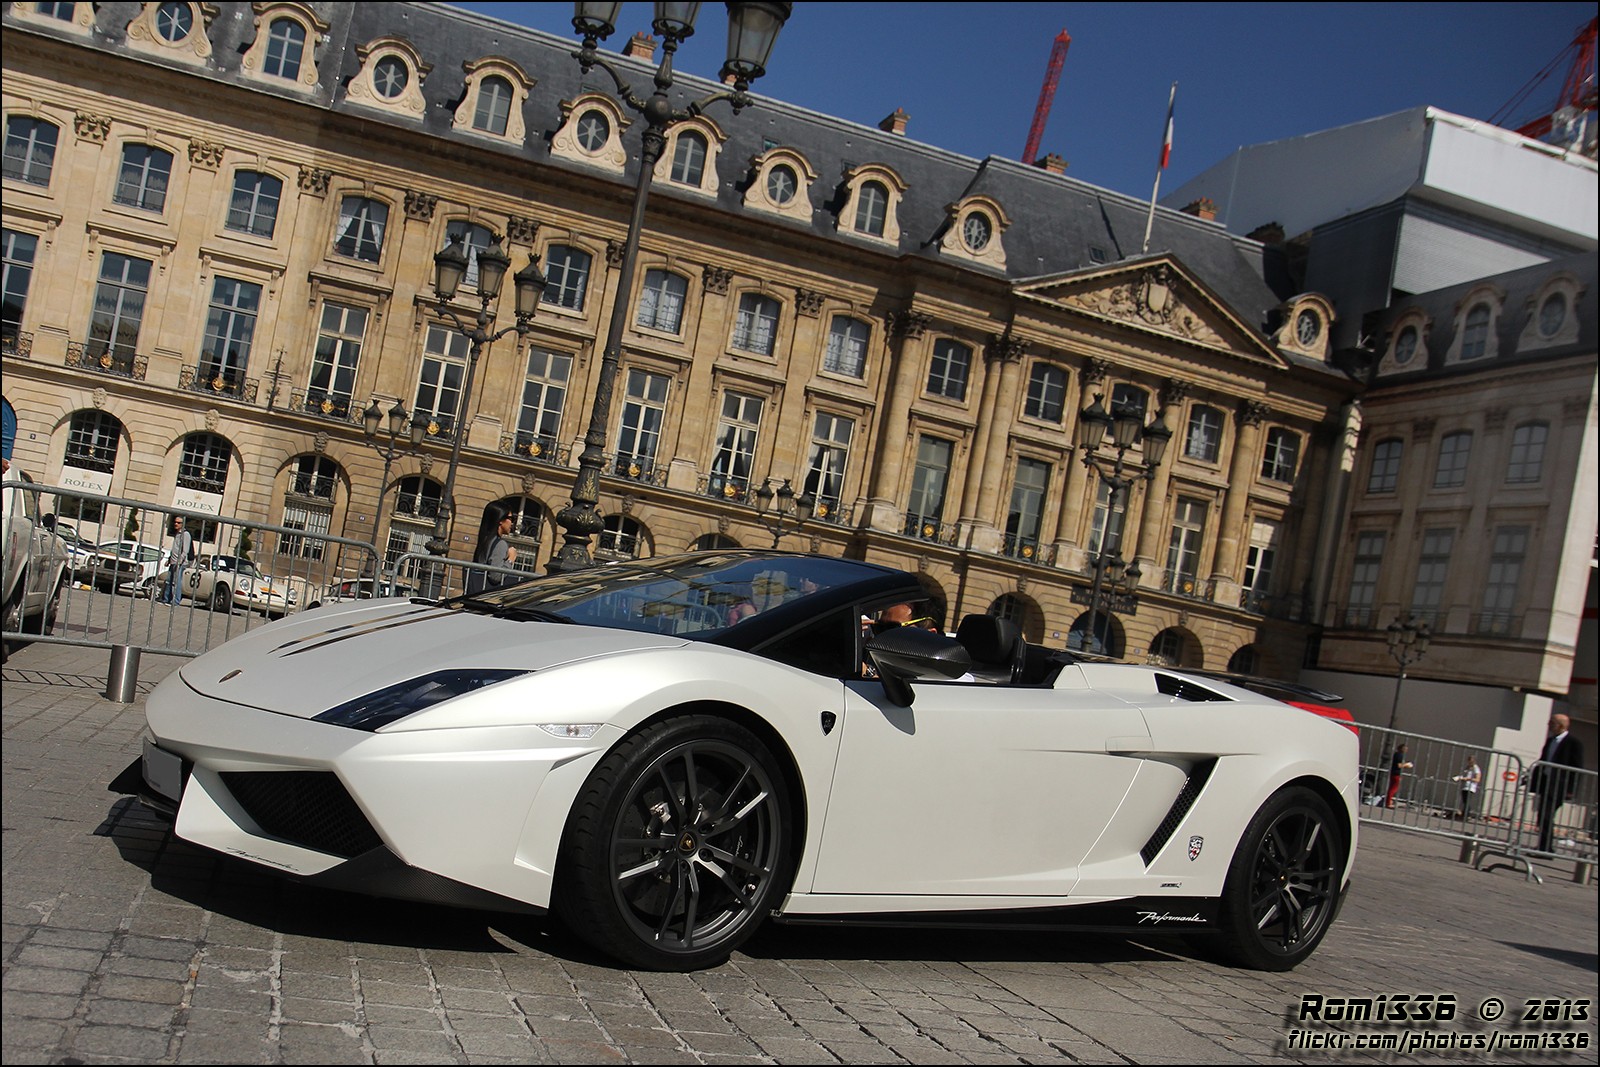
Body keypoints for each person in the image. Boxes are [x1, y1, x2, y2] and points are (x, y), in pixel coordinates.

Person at [1529, 713, 1586, 853]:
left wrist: (1571, 789)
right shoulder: (1550, 741)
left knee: (1546, 815)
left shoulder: (1574, 743)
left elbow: (1577, 768)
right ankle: (1544, 846)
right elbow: (1543, 760)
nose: (1549, 725)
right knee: (1543, 815)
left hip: (1559, 786)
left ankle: (1546, 848)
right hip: (1546, 783)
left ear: (1561, 726)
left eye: (1552, 723)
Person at [468, 505, 516, 594]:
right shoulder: (500, 544)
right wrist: (511, 559)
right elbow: (495, 576)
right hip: (486, 595)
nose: (512, 523)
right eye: (511, 518)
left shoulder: (485, 539)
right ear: (500, 520)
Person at [158, 515, 191, 604]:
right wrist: (169, 560)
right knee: (169, 581)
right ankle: (166, 599)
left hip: (179, 563)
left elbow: (185, 550)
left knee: (176, 582)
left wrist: (179, 562)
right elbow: (175, 548)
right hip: (173, 561)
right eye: (175, 522)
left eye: (178, 523)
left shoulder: (185, 534)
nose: (176, 524)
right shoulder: (177, 534)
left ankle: (175, 601)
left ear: (183, 524)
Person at [1452, 756, 1481, 821]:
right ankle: (1464, 815)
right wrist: (1460, 778)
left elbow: (1477, 779)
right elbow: (1464, 775)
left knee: (1467, 802)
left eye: (1471, 761)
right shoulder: (1467, 767)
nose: (1469, 762)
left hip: (1470, 787)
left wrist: (1467, 779)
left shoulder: (1476, 768)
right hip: (1464, 786)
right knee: (1464, 801)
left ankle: (1466, 815)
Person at [1384, 743, 1413, 809]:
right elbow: (1399, 765)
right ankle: (1388, 803)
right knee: (1393, 789)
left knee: (1392, 788)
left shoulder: (1397, 754)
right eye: (1405, 748)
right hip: (1396, 774)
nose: (1406, 749)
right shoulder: (1399, 755)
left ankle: (1389, 801)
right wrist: (1407, 765)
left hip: (1394, 773)